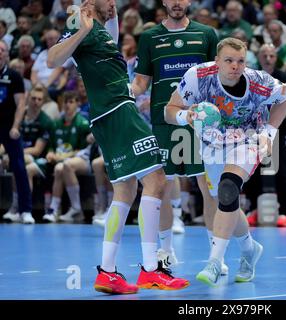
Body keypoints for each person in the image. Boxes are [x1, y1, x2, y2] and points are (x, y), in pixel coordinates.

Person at [47, 0, 189, 294]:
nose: (112, 2)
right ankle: (151, 270)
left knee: (125, 190)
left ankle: (108, 272)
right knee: (156, 179)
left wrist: (107, 19)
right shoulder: (80, 22)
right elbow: (52, 59)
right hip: (117, 112)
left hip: (110, 115)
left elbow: (106, 39)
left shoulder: (101, 27)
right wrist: (81, 31)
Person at [165, 37, 286, 286]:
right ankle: (249, 248)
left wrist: (268, 133)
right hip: (212, 145)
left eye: (240, 61)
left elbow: (285, 99)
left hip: (248, 140)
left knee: (228, 187)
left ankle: (214, 262)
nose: (235, 66)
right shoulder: (198, 77)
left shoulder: (260, 82)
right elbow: (169, 110)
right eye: (229, 60)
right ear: (217, 61)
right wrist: (185, 116)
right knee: (226, 199)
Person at [131, 0, 224, 272]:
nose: (176, 3)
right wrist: (121, 93)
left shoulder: (206, 34)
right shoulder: (149, 37)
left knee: (209, 189)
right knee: (161, 185)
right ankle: (166, 251)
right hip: (165, 122)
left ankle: (215, 255)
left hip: (201, 122)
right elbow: (140, 82)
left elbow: (215, 79)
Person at [245, 43, 286, 228]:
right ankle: (253, 208)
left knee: (282, 170)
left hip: (279, 129)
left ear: (276, 58)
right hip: (257, 130)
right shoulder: (254, 77)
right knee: (253, 169)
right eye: (264, 55)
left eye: (272, 55)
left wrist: (273, 120)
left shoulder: (282, 77)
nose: (268, 58)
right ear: (259, 58)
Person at [41, 91, 91, 223]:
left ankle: (76, 208)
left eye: (71, 102)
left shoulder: (82, 123)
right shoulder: (55, 124)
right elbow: (51, 145)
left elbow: (84, 149)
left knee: (66, 165)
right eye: (65, 102)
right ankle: (54, 210)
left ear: (77, 104)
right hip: (62, 160)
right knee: (58, 168)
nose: (67, 105)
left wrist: (64, 156)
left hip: (84, 160)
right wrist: (50, 153)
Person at [0, 40, 33, 224]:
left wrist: (15, 126)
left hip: (8, 127)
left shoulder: (14, 76)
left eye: (2, 50)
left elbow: (21, 104)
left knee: (19, 167)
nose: (0, 52)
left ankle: (25, 210)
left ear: (6, 54)